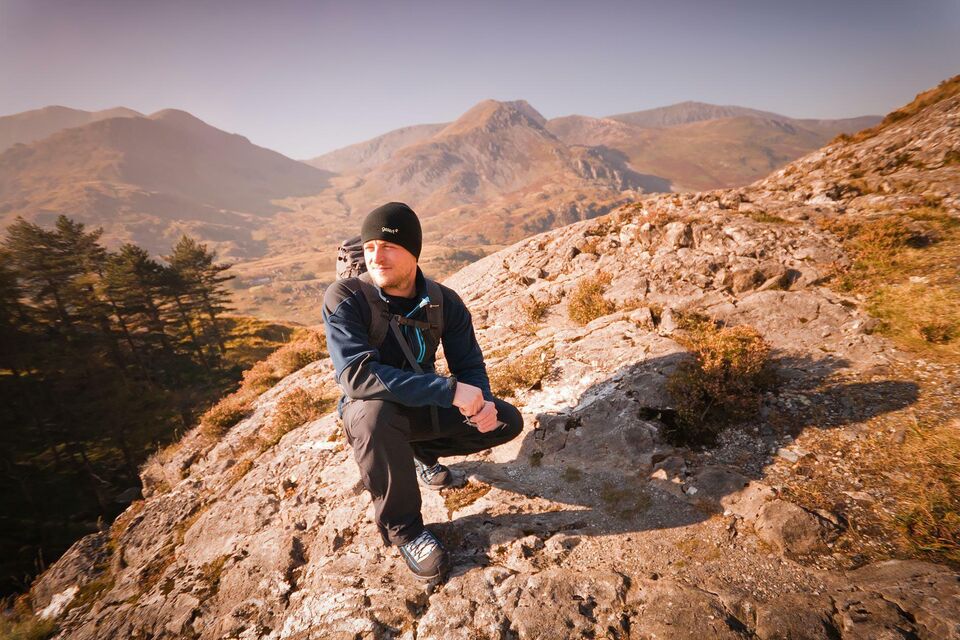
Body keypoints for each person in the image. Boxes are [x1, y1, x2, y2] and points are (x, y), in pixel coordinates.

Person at [321, 202, 524, 581]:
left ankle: (421, 453)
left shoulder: (444, 301)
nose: (375, 258)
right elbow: (356, 376)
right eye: (368, 248)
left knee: (506, 421)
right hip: (372, 411)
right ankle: (406, 530)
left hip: (422, 403)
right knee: (375, 416)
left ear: (413, 252)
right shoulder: (345, 297)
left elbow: (469, 365)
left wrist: (479, 402)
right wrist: (448, 392)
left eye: (388, 246)